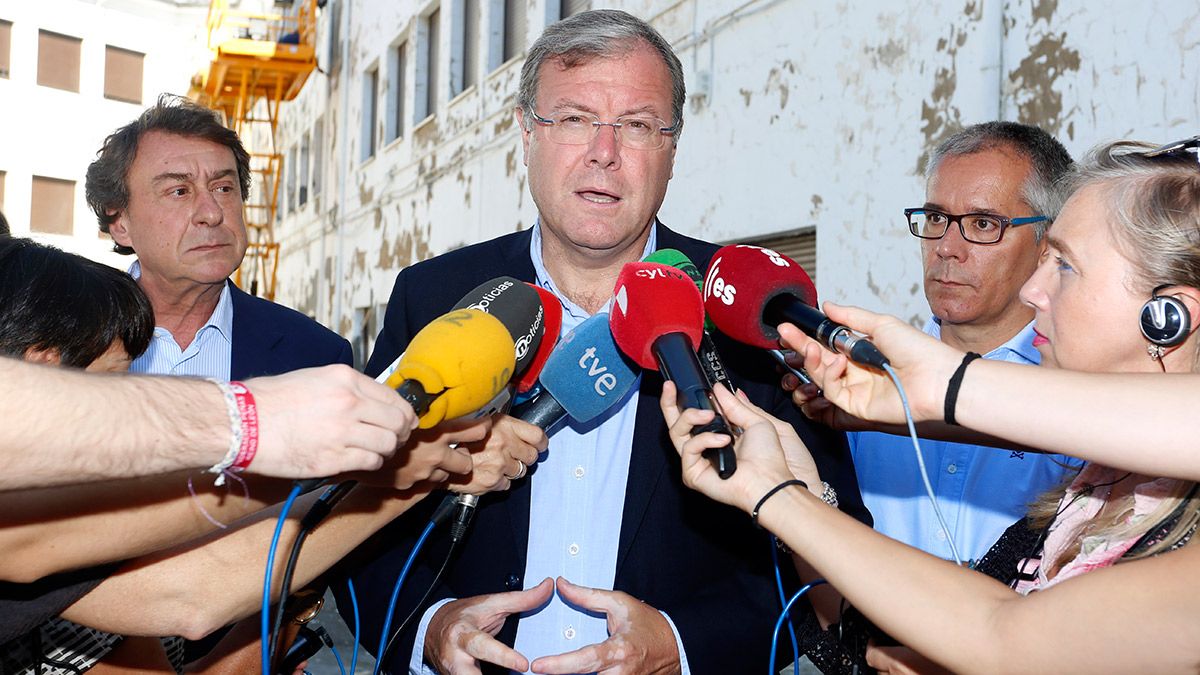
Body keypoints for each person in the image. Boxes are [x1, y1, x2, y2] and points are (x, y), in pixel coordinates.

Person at [339, 9, 868, 675]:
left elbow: (834, 547)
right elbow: (357, 523)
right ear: (527, 132)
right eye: (574, 118)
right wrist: (430, 629)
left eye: (639, 125)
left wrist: (683, 643)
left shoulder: (742, 309)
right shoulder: (433, 296)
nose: (604, 151)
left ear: (672, 150)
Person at [666, 136, 1200, 673]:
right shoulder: (1091, 494)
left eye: (1065, 266)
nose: (1035, 288)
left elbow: (999, 634)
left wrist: (779, 496)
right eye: (936, 220)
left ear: (1169, 317)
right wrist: (803, 491)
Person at [794, 122, 1079, 565]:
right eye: (937, 219)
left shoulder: (1083, 395)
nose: (947, 247)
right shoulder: (858, 379)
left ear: (1049, 243)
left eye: (983, 224)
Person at [85, 94, 353, 382]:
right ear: (120, 222)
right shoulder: (62, 346)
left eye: (223, 188)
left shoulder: (317, 358)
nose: (212, 214)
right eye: (180, 191)